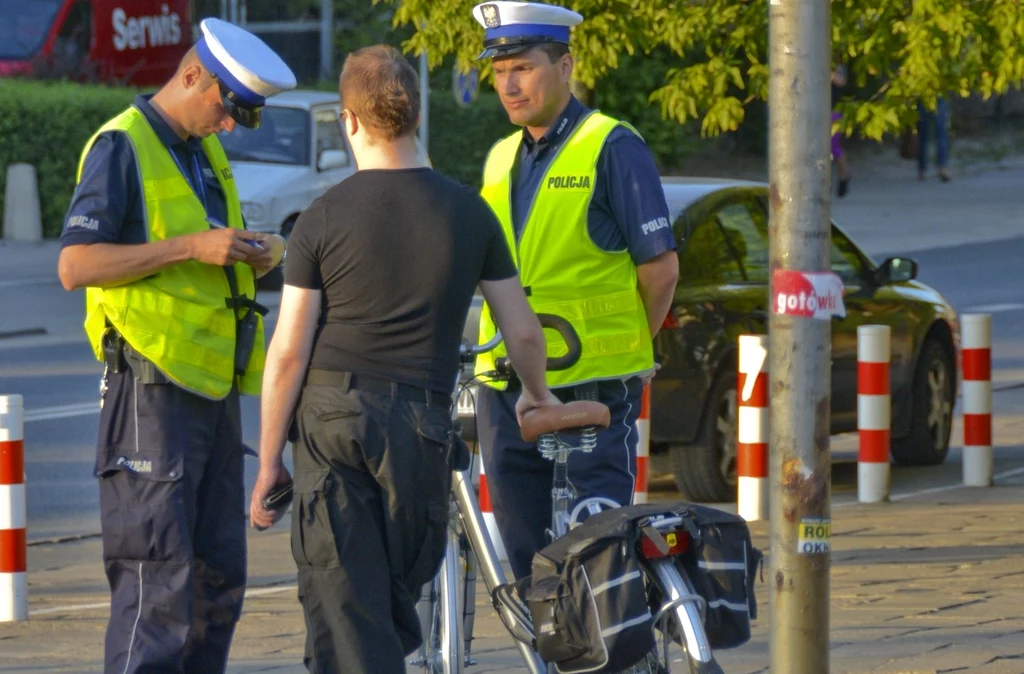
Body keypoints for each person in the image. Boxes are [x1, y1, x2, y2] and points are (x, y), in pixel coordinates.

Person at [248, 44, 561, 673]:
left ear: (350, 122)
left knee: (344, 606)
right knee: (388, 603)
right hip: (420, 424)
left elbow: (288, 352)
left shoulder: (321, 216)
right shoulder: (469, 214)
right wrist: (538, 395)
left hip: (333, 418)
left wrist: (268, 461)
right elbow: (523, 332)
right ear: (415, 116)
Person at [56, 18, 294, 674]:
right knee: (155, 586)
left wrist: (255, 250)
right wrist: (194, 247)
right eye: (225, 110)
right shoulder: (121, 146)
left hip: (211, 393)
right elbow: (76, 266)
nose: (227, 128)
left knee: (218, 584)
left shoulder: (201, 151)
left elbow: (209, 249)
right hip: (150, 394)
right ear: (193, 75)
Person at [469, 1, 680, 581]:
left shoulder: (611, 145)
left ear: (565, 65)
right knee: (523, 551)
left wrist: (627, 342)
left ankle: (617, 656)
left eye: (524, 68)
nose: (509, 84)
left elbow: (659, 270)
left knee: (600, 547)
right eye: (499, 71)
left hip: (592, 377)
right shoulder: (499, 158)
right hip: (506, 377)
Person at [918, 97, 951, 181]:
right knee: (940, 132)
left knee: (924, 133)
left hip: (924, 93)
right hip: (936, 92)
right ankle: (942, 168)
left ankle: (923, 169)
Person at [832, 63, 852, 197]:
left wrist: (829, 75)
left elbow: (842, 81)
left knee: (833, 145)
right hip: (819, 109)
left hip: (834, 109)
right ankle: (843, 175)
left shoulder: (837, 61)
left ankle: (845, 174)